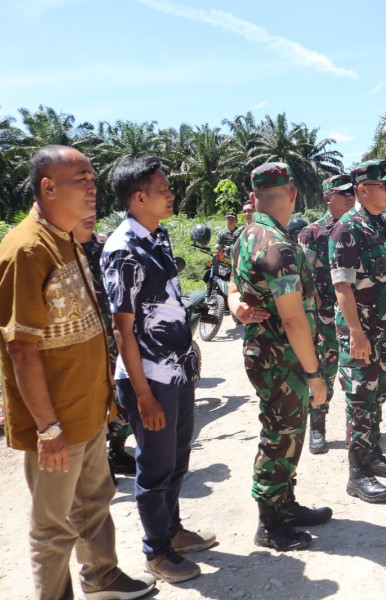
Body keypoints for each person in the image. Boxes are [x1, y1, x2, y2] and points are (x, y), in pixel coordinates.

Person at [0, 145, 154, 600]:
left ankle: (102, 577)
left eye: (93, 178)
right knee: (53, 527)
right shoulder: (25, 251)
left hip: (86, 412)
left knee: (94, 504)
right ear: (48, 186)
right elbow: (21, 351)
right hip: (56, 422)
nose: (91, 187)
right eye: (80, 177)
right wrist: (48, 428)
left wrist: (105, 394)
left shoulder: (66, 239)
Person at [102, 156, 214, 584]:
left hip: (177, 369)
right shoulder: (122, 251)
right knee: (154, 465)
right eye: (163, 189)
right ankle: (156, 551)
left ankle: (173, 530)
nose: (171, 194)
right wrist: (143, 394)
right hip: (148, 376)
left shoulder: (157, 235)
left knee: (179, 454)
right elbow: (122, 328)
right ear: (138, 197)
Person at [233, 162, 332, 551]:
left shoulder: (249, 234)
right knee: (279, 434)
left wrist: (236, 304)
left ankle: (285, 505)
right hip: (282, 358)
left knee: (289, 431)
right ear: (292, 193)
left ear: (255, 195)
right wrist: (314, 373)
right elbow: (292, 319)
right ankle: (270, 522)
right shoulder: (277, 245)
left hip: (268, 352)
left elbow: (232, 282)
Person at [330, 159, 386, 503]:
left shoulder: (382, 226)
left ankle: (372, 454)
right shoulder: (348, 228)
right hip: (361, 332)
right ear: (363, 190)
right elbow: (342, 288)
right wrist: (355, 333)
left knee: (376, 397)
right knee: (360, 401)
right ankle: (357, 473)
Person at [74, 215, 136, 480]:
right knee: (94, 398)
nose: (88, 219)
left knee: (122, 392)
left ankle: (117, 453)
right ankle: (99, 462)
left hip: (113, 334)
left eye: (91, 214)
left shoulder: (106, 245)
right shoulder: (63, 251)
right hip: (84, 341)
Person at [297, 174, 355, 454]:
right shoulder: (313, 233)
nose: (349, 196)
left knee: (359, 373)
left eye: (351, 192)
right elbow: (303, 278)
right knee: (325, 369)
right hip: (326, 316)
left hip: (356, 314)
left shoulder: (360, 228)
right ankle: (317, 425)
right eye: (342, 192)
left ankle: (360, 433)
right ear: (327, 198)